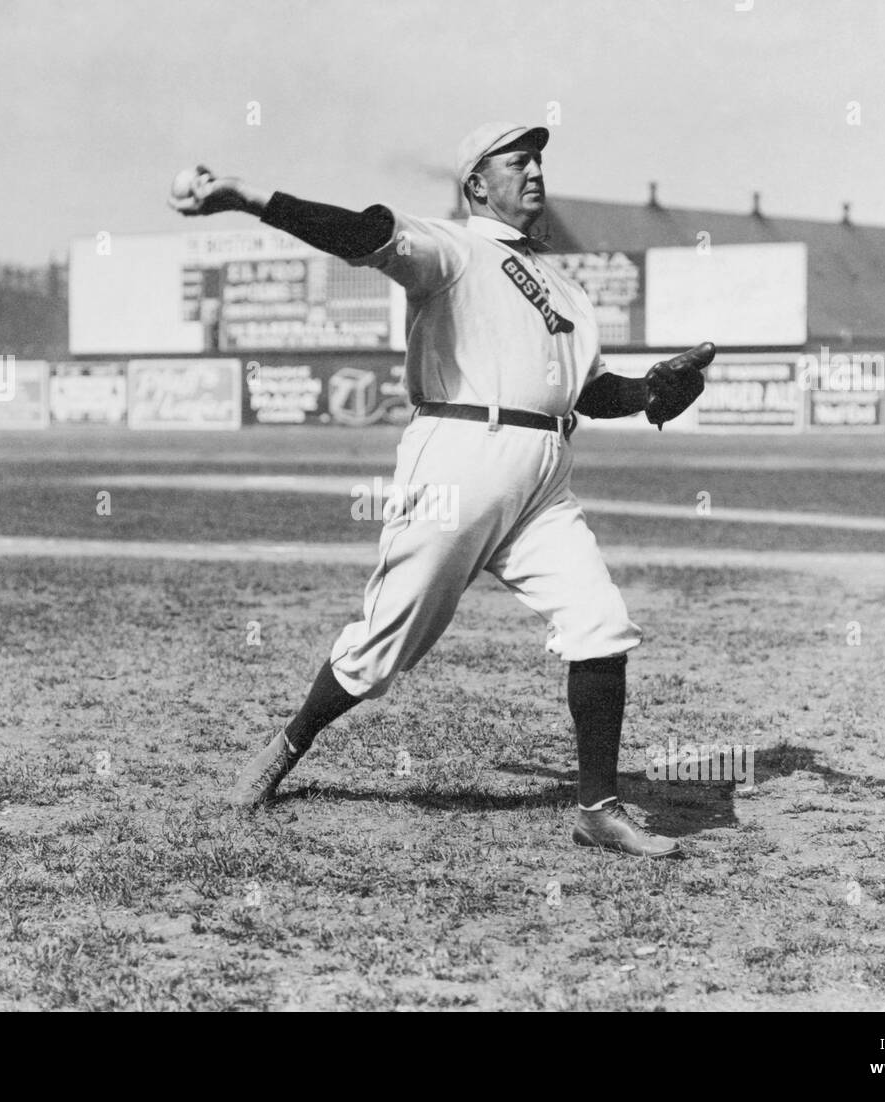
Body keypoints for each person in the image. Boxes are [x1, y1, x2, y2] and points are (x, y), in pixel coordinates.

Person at [171, 122, 709, 858]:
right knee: (381, 647)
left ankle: (599, 808)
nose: (535, 172)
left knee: (601, 624)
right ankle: (288, 744)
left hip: (545, 472)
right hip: (459, 454)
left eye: (539, 160)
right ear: (477, 184)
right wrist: (247, 198)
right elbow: (360, 232)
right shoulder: (453, 250)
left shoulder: (569, 290)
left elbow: (588, 391)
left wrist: (652, 392)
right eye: (516, 161)